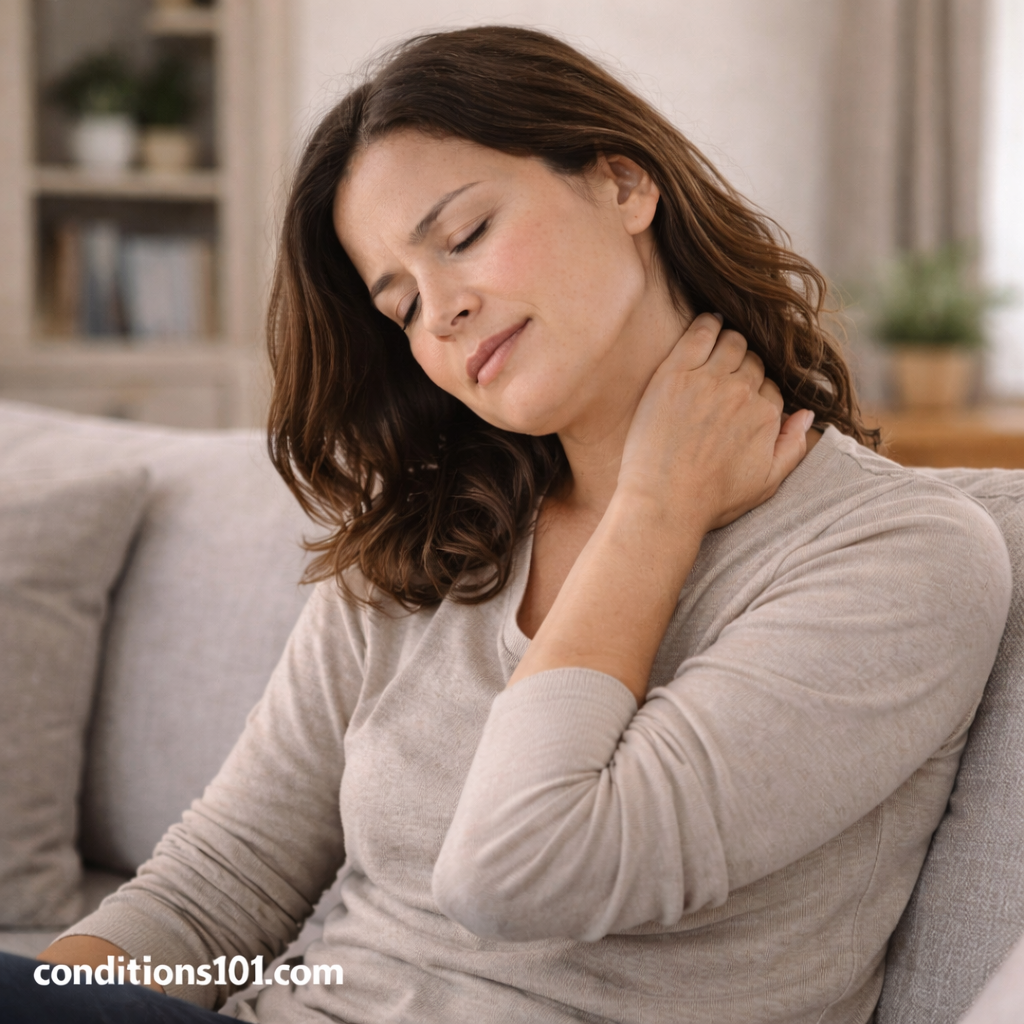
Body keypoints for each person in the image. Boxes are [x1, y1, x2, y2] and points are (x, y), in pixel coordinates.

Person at [2, 25, 1011, 1024]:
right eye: (398, 304)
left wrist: (655, 510)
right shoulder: (426, 536)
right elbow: (213, 891)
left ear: (623, 184)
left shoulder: (898, 556)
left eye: (464, 236)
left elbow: (521, 871)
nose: (438, 312)